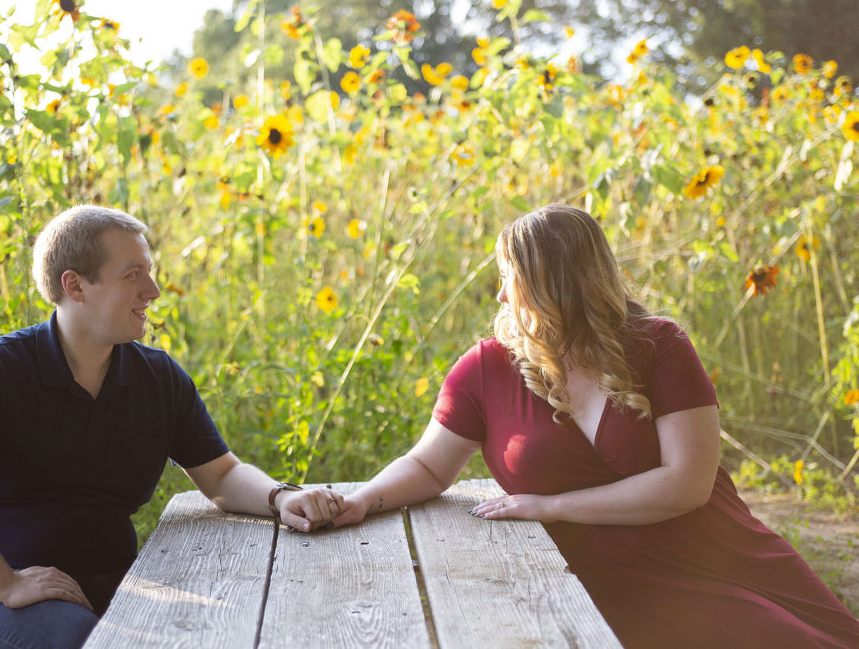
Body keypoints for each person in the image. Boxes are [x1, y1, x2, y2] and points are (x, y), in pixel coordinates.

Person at [330, 203, 859, 647]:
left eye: (510, 278)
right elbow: (428, 464)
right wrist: (363, 499)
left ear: (553, 285)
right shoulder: (487, 367)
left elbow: (687, 484)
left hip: (717, 553)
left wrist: (553, 507)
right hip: (602, 581)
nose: (500, 296)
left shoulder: (659, 345)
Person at [0, 205, 343, 648]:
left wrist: (282, 496)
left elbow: (221, 475)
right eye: (133, 275)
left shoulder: (157, 377)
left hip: (118, 585)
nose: (153, 290)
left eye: (150, 272)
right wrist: (4, 581)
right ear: (76, 286)